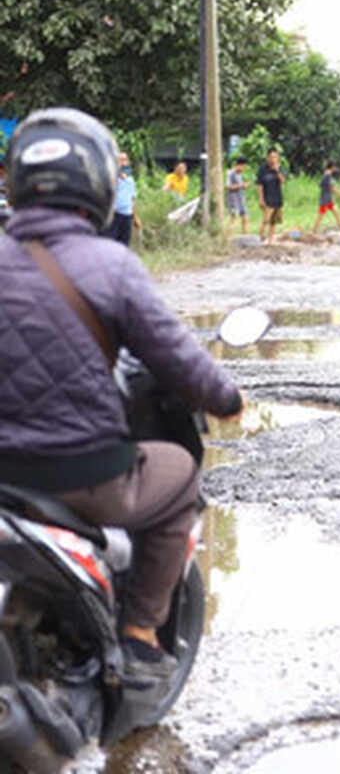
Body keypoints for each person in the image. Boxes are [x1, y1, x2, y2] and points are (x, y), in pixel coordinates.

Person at [0, 107, 243, 684]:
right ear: (100, 182)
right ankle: (138, 636)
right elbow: (178, 359)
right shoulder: (112, 265)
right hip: (81, 478)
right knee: (180, 470)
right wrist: (226, 397)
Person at [106, 152, 140, 246]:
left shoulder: (131, 180)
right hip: (114, 215)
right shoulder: (112, 178)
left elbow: (132, 199)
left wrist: (135, 217)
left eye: (125, 159)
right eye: (120, 160)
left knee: (125, 244)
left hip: (127, 216)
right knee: (111, 243)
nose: (123, 162)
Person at [313, 161, 340, 239]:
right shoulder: (327, 175)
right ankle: (313, 233)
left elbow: (321, 185)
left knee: (337, 215)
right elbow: (331, 188)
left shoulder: (327, 175)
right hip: (325, 200)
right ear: (332, 167)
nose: (336, 168)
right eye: (335, 167)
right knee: (320, 217)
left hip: (329, 199)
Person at [256, 148, 286, 244]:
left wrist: (277, 171)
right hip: (267, 197)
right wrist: (261, 198)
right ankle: (260, 237)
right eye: (271, 157)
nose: (273, 159)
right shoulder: (262, 169)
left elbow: (283, 181)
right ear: (267, 157)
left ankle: (270, 240)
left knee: (273, 221)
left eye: (275, 157)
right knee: (266, 219)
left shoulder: (279, 168)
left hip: (277, 197)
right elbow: (259, 185)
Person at [226, 157, 249, 235]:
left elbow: (239, 186)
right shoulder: (231, 173)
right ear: (239, 165)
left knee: (245, 217)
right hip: (233, 199)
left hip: (240, 199)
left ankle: (246, 235)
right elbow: (228, 186)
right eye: (243, 167)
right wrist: (241, 185)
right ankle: (227, 237)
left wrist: (244, 186)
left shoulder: (239, 174)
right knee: (233, 219)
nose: (244, 169)